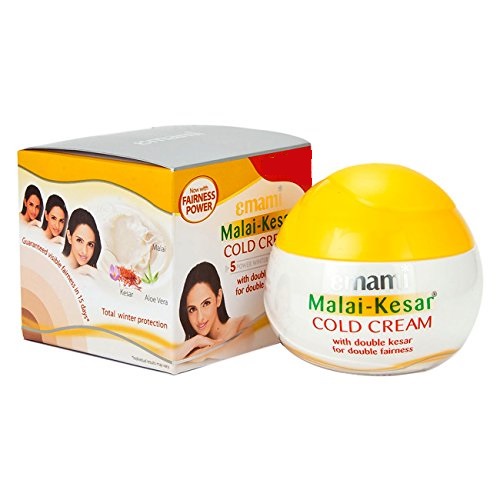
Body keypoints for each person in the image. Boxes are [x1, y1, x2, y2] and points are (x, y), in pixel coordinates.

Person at [176, 262, 249, 359]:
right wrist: (196, 341)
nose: (200, 318)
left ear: (218, 297)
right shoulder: (194, 346)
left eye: (206, 303)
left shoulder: (243, 324)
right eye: (192, 309)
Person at [62, 208, 102, 272]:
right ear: (69, 236)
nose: (84, 251)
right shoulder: (57, 262)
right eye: (79, 240)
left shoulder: (92, 274)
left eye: (90, 244)